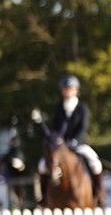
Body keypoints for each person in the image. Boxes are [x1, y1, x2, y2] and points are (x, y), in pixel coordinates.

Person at [40, 75, 105, 206]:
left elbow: (83, 128)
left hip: (79, 144)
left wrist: (75, 141)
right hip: (61, 147)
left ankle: (99, 193)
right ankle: (43, 197)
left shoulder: (82, 108)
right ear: (62, 91)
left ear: (76, 90)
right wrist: (58, 142)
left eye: (70, 88)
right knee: (42, 165)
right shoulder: (59, 108)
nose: (67, 91)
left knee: (95, 162)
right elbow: (55, 129)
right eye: (65, 89)